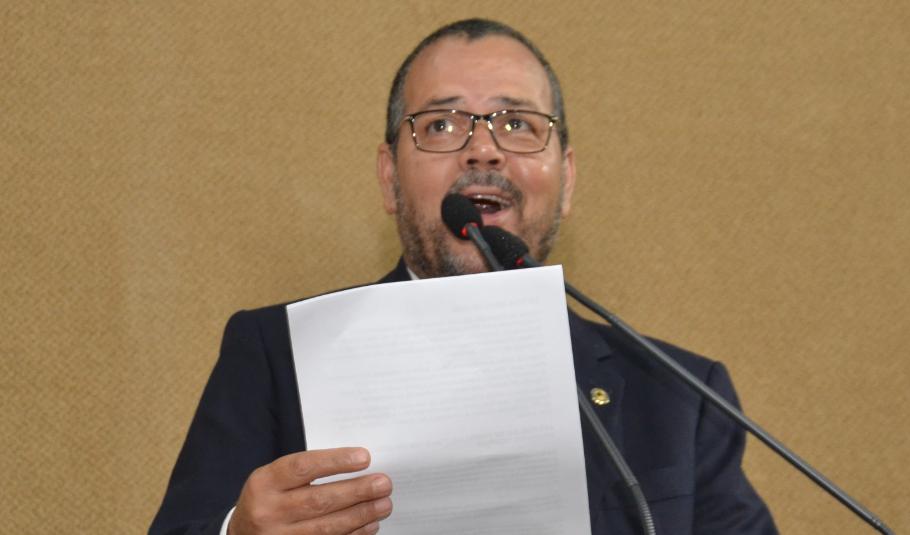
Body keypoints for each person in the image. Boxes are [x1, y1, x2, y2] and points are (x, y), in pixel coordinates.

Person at [150, 19, 778, 535]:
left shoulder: (679, 396)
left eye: (518, 124)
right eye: (442, 125)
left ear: (566, 181)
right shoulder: (276, 356)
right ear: (390, 179)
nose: (483, 149)